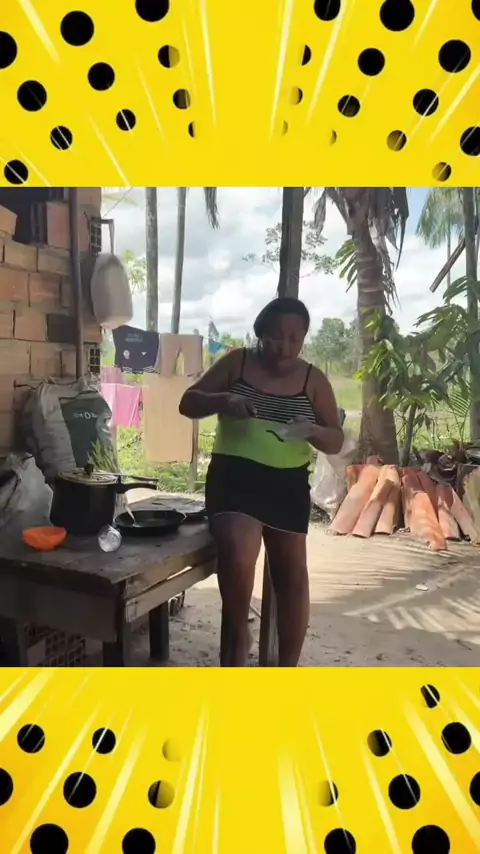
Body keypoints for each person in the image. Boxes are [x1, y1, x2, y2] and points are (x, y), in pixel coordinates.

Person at [179, 297, 344, 666]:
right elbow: (188, 402)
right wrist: (223, 400)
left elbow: (335, 439)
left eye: (294, 338)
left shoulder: (313, 380)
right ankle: (238, 639)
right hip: (234, 479)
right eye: (276, 336)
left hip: (287, 485)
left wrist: (312, 430)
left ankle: (286, 671)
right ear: (260, 333)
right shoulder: (236, 363)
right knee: (238, 557)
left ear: (303, 339)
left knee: (292, 576)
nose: (284, 346)